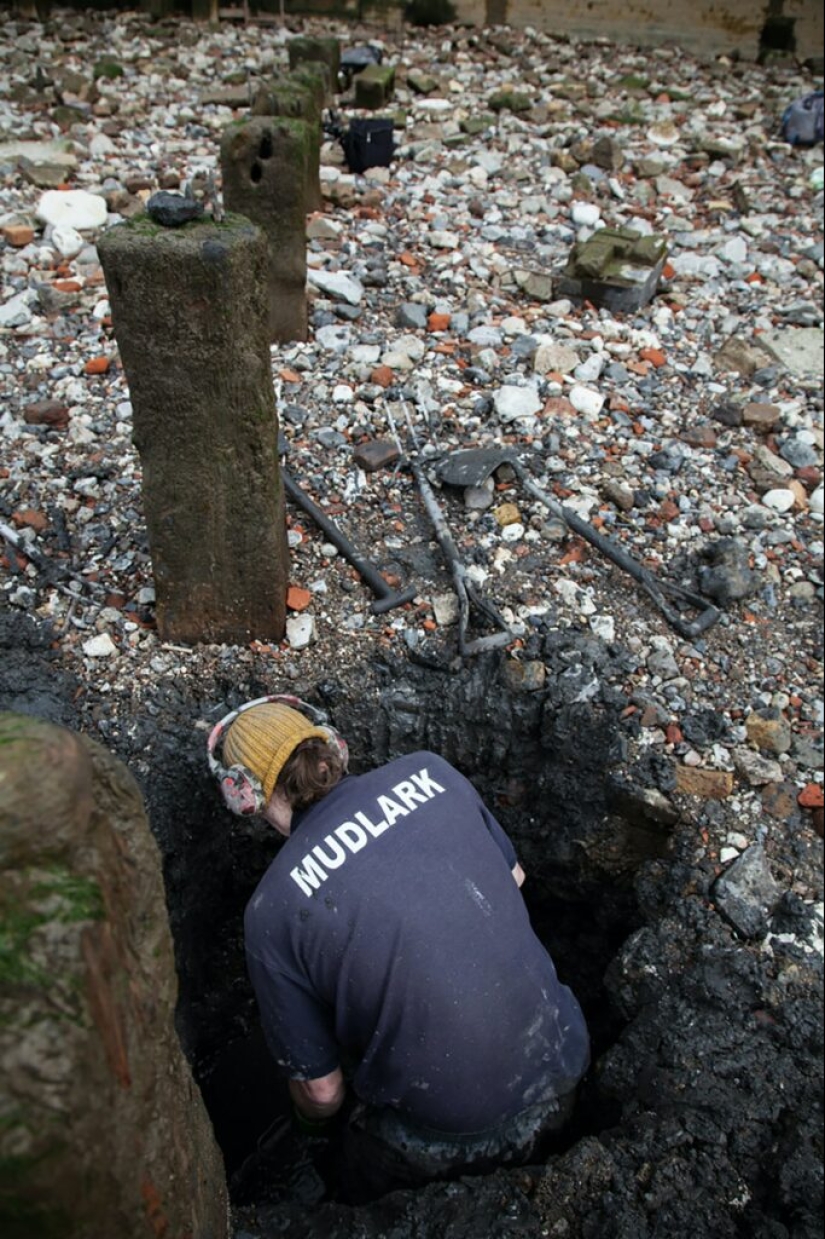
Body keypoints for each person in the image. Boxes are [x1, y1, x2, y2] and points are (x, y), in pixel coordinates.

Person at [208, 695, 590, 1202]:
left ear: (244, 796)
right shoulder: (431, 771)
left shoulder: (272, 910)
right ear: (330, 747)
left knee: (351, 1176)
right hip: (566, 1054)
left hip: (458, 1133)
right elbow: (513, 880)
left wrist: (312, 1134)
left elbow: (322, 1093)